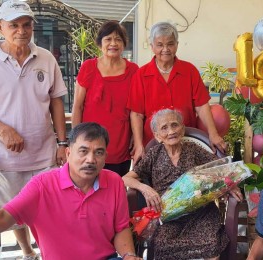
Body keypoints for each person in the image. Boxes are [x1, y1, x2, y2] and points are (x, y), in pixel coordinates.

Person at [0, 1, 67, 259]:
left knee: (50, 211)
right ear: (0, 27)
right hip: (8, 157)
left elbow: (56, 100)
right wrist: (2, 129)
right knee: (13, 213)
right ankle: (27, 251)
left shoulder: (45, 57)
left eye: (26, 24)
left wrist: (63, 143)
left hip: (45, 153)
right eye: (14, 25)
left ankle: (50, 253)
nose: (21, 30)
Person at [0, 122, 142, 260]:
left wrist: (129, 256)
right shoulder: (42, 186)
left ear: (105, 157)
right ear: (68, 153)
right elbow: (2, 219)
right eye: (83, 151)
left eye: (99, 153)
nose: (90, 159)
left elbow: (121, 228)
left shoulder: (114, 182)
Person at [122, 108, 242, 260]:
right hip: (169, 215)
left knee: (211, 242)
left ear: (182, 129)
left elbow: (221, 169)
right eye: (164, 128)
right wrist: (145, 188)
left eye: (174, 125)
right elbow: (125, 179)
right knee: (162, 243)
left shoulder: (193, 149)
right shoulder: (154, 154)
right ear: (157, 136)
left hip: (201, 213)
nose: (171, 131)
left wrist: (229, 185)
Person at [127, 21, 227, 165]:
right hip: (153, 143)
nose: (165, 49)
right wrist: (138, 144)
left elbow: (202, 106)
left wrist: (213, 134)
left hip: (186, 140)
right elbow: (136, 114)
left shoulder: (190, 71)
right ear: (152, 47)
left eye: (170, 44)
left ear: (177, 45)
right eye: (160, 44)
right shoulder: (141, 75)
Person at [72, 20, 139, 177]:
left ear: (124, 44)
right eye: (108, 39)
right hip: (89, 144)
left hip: (120, 144)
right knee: (88, 189)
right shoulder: (88, 67)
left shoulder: (134, 71)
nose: (113, 44)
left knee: (116, 189)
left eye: (118, 39)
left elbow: (136, 110)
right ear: (99, 43)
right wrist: (75, 139)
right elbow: (77, 106)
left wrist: (136, 138)